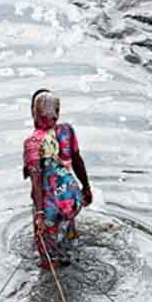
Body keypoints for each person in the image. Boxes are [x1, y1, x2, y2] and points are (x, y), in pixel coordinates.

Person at [23, 89, 92, 268]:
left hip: (49, 209)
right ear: (57, 113)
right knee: (69, 236)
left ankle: (53, 276)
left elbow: (37, 182)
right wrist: (86, 187)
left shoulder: (32, 143)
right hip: (70, 199)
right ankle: (70, 247)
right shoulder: (67, 131)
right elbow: (77, 160)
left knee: (48, 259)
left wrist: (39, 214)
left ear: (34, 113)